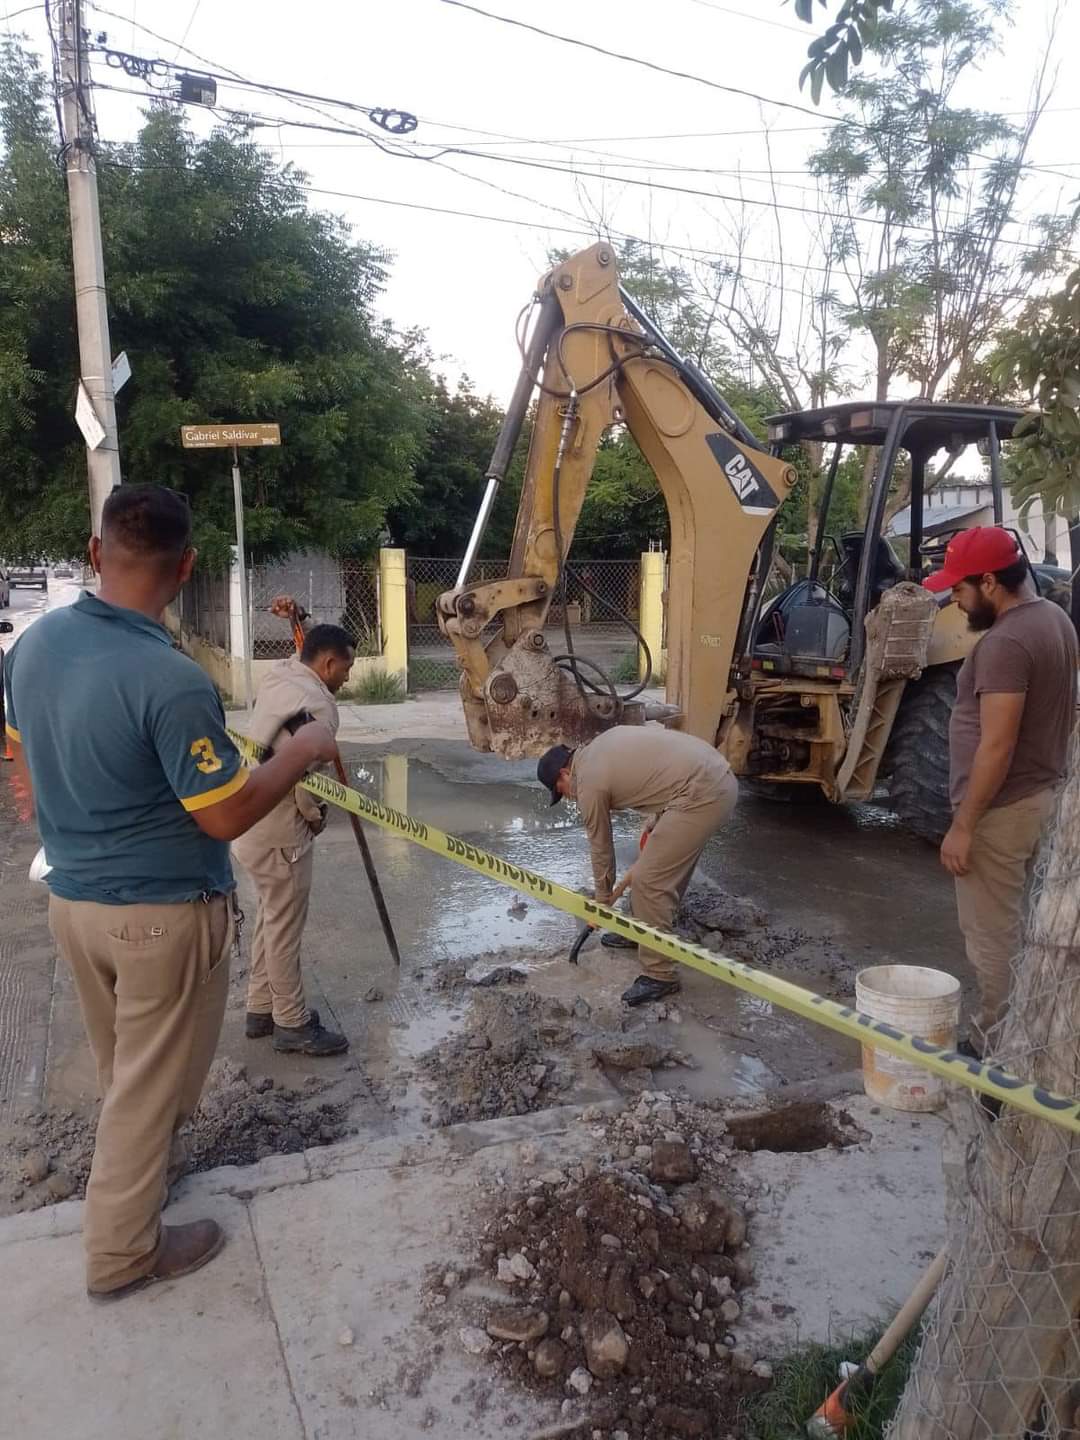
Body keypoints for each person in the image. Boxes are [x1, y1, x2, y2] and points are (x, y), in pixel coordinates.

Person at [2, 485, 335, 1301]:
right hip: (157, 916)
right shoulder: (169, 678)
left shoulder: (33, 648)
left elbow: (18, 754)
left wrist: (41, 790)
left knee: (128, 1072)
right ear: (186, 567)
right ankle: (122, 1252)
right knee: (150, 1087)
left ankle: (141, 1177)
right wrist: (300, 754)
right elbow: (225, 815)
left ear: (93, 552)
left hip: (74, 903)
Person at [925, 526, 1077, 1053]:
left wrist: (964, 826)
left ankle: (996, 1048)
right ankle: (1030, 1035)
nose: (956, 601)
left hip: (1001, 811)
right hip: (1039, 796)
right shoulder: (1055, 620)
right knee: (1025, 931)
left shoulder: (1007, 642)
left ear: (989, 582)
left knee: (993, 938)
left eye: (960, 590)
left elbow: (997, 746)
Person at [538, 725, 737, 1006]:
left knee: (648, 880)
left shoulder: (589, 782)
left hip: (702, 793)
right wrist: (658, 820)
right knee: (661, 865)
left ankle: (659, 974)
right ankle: (641, 931)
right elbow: (660, 769)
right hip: (714, 779)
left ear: (564, 774)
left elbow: (601, 847)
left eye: (562, 792)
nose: (569, 797)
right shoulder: (600, 745)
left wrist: (603, 899)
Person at [232, 604, 355, 1056]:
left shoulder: (282, 676)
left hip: (249, 820)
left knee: (270, 917)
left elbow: (298, 649)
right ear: (327, 663)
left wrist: (300, 619)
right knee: (285, 928)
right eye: (346, 667)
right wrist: (316, 816)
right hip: (280, 831)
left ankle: (261, 1009)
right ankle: (291, 1023)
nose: (347, 677)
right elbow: (303, 777)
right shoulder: (318, 706)